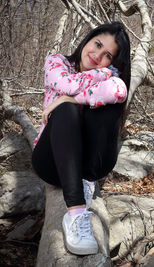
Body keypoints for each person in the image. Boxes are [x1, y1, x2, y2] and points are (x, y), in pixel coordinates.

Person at [32, 21, 131, 255]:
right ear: (88, 39)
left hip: (91, 165)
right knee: (64, 111)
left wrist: (71, 99)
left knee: (108, 106)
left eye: (107, 55)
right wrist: (102, 74)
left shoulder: (111, 78)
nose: (97, 55)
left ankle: (86, 180)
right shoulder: (57, 62)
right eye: (97, 44)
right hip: (51, 161)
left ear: (113, 61)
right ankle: (76, 214)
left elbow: (119, 90)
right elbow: (65, 83)